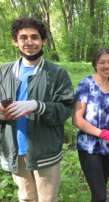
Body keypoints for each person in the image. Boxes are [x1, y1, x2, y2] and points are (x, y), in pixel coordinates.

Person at [0, 17, 75, 202]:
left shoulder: (56, 73)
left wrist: (37, 105)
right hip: (15, 148)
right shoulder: (3, 71)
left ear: (44, 41)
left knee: (48, 199)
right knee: (26, 197)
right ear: (15, 41)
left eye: (35, 37)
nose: (29, 42)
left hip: (45, 149)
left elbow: (66, 108)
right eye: (23, 37)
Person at [72, 48, 109, 202]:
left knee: (100, 191)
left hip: (108, 147)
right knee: (100, 195)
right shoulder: (86, 84)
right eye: (102, 62)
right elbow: (77, 119)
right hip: (89, 147)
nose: (106, 66)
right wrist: (104, 134)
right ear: (95, 64)